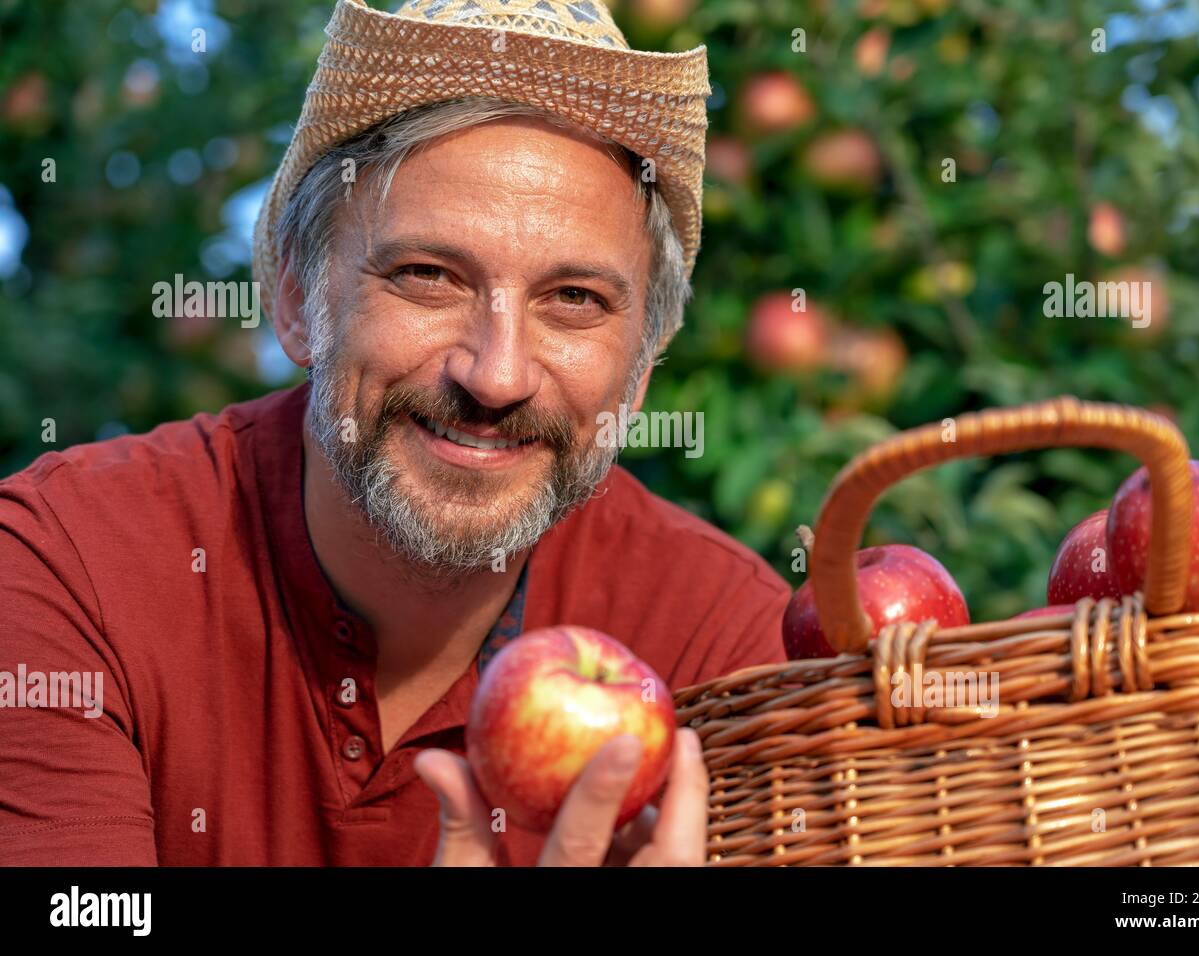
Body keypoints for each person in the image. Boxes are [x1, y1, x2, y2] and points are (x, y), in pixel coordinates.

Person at [0, 0, 789, 866]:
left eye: (574, 301)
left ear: (639, 371)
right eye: (427, 276)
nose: (495, 375)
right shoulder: (67, 568)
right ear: (299, 300)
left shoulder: (726, 648)